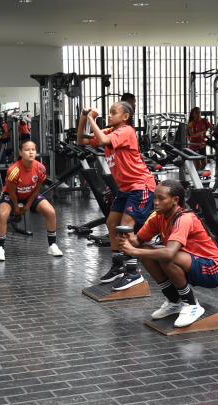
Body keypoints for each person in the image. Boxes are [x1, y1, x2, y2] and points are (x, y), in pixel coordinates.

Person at [119, 179, 218, 327]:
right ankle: (174, 301)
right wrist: (127, 237)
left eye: (161, 199)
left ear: (175, 200)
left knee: (166, 256)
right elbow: (138, 242)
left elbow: (169, 254)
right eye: (154, 198)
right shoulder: (158, 217)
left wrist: (134, 251)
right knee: (147, 252)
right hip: (188, 263)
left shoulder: (184, 219)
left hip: (213, 269)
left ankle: (191, 305)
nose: (156, 202)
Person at [77, 102, 156, 291]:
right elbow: (82, 140)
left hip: (140, 186)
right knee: (112, 222)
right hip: (126, 189)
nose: (110, 115)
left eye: (114, 113)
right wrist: (83, 118)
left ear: (125, 117)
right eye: (109, 112)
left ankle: (133, 273)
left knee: (125, 226)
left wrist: (91, 119)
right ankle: (118, 266)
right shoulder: (111, 130)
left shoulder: (126, 131)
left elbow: (103, 141)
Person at [0, 140, 64, 261]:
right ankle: (0, 248)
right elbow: (11, 191)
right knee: (3, 215)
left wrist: (28, 205)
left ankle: (52, 245)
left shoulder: (40, 168)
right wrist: (16, 207)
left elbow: (37, 188)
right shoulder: (13, 170)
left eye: (33, 150)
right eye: (27, 150)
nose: (31, 152)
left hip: (30, 195)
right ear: (21, 153)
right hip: (12, 196)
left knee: (51, 212)